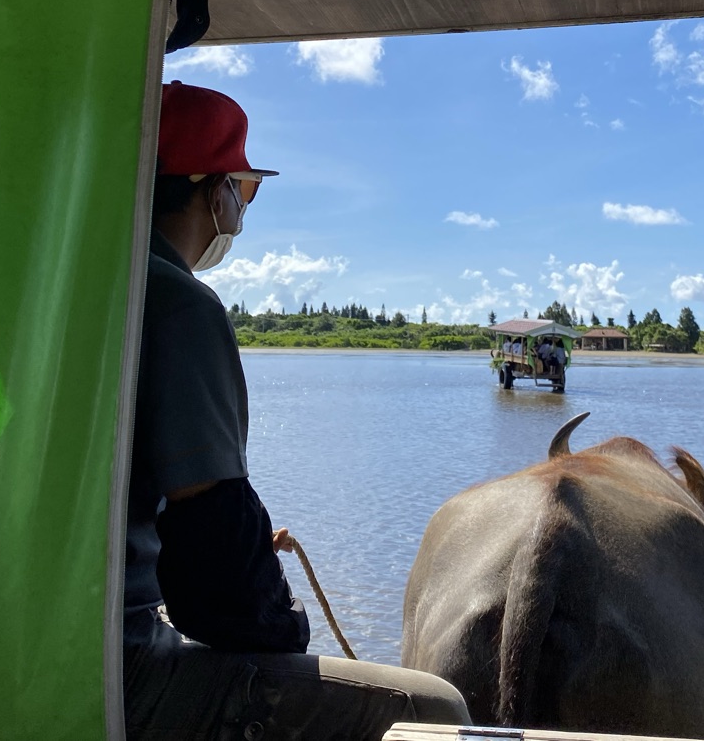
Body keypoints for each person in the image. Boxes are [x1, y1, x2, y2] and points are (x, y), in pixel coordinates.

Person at [124, 81, 470, 741]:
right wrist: (287, 624)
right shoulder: (179, 303)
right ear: (213, 190)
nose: (243, 206)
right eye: (246, 189)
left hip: (26, 644)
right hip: (120, 661)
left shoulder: (76, 285)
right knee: (434, 712)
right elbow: (215, 552)